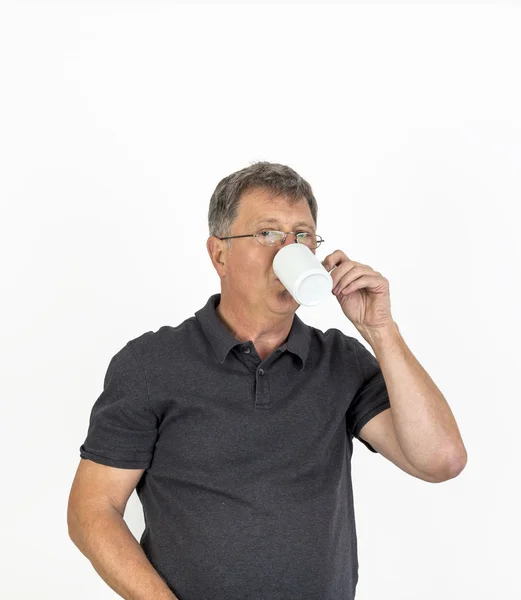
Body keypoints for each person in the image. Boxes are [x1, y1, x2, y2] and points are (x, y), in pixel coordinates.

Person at [67, 161, 467, 600]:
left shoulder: (340, 361)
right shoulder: (151, 364)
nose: (289, 249)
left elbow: (440, 460)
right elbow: (93, 510)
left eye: (302, 236)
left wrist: (380, 330)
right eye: (268, 233)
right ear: (219, 253)